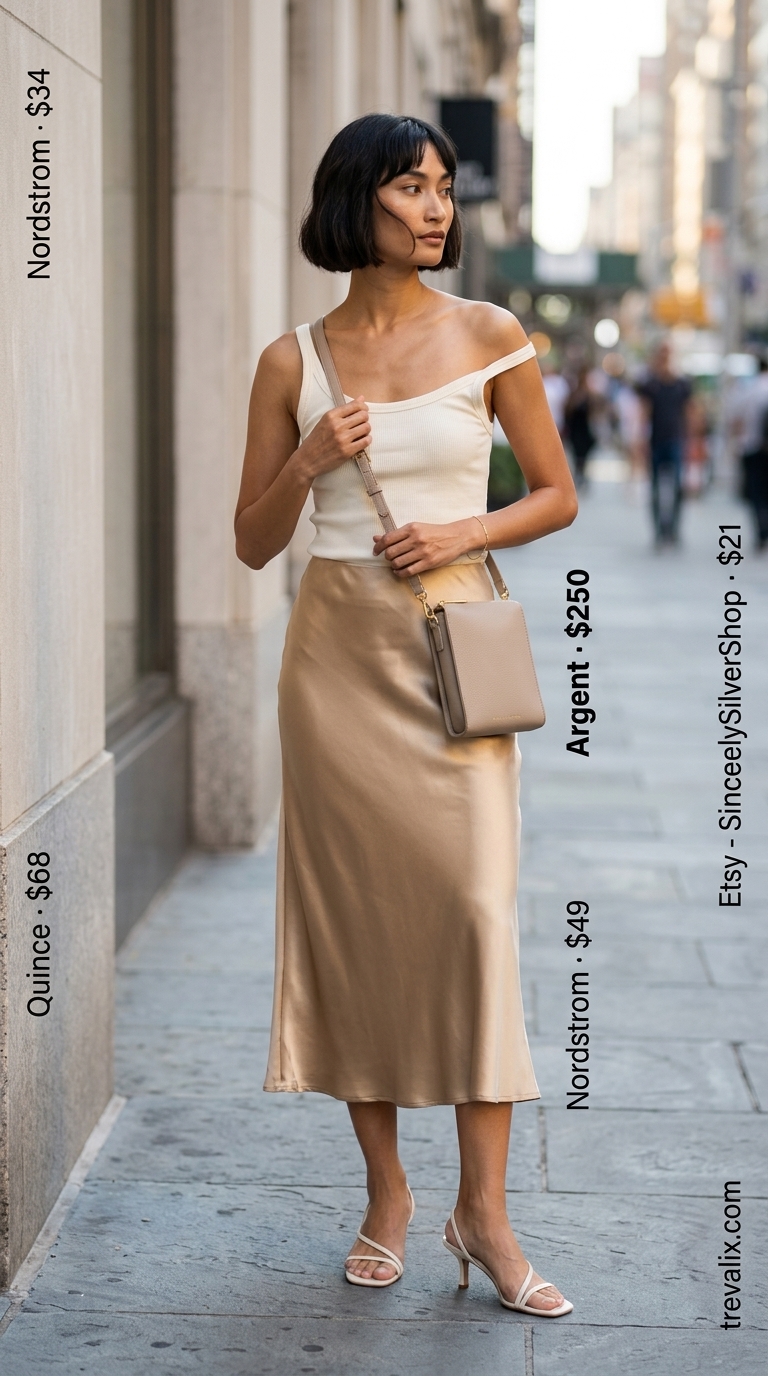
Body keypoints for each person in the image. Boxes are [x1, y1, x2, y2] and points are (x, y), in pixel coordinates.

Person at [234, 114, 577, 1315]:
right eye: (409, 190)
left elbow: (556, 492)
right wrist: (309, 456)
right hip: (334, 660)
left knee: (476, 915)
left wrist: (463, 530)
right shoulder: (294, 360)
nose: (436, 210)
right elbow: (250, 540)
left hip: (450, 649)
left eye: (442, 189)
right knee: (355, 928)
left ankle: (483, 1209)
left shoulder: (490, 333)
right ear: (354, 205)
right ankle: (386, 1190)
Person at [636, 342, 692, 544]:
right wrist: (640, 439)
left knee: (678, 486)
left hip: (676, 439)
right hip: (656, 441)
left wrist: (693, 440)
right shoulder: (650, 384)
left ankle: (674, 528)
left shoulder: (682, 384)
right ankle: (659, 529)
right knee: (656, 488)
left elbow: (689, 413)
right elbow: (643, 412)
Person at [730, 356, 768, 548]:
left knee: (756, 493)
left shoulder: (748, 389)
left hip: (752, 449)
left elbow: (735, 420)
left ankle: (761, 531)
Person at [564, 367, 597, 486]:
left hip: (585, 430)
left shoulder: (589, 396)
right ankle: (578, 475)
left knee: (583, 455)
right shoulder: (573, 395)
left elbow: (593, 412)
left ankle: (582, 475)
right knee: (576, 455)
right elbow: (567, 411)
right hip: (575, 429)